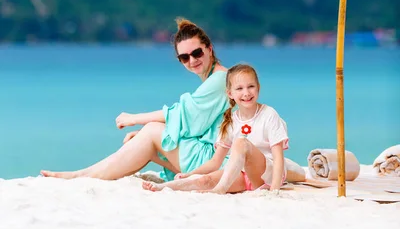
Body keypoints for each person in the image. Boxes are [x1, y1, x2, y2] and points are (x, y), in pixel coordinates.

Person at [40, 18, 229, 180]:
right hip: (215, 156)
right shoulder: (215, 78)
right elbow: (193, 123)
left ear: (209, 49)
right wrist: (143, 131)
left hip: (218, 161)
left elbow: (184, 115)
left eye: (197, 53)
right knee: (148, 135)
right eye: (184, 57)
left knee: (152, 131)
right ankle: (84, 174)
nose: (192, 60)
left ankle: (80, 176)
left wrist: (134, 118)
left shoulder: (220, 79)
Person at [142, 63, 291, 194]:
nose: (246, 93)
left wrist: (275, 190)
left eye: (251, 86)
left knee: (241, 143)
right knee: (204, 181)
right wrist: (191, 174)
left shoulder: (269, 114)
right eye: (239, 88)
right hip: (243, 176)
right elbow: (215, 161)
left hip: (267, 176)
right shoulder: (230, 121)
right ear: (230, 94)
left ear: (258, 88)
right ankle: (163, 187)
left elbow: (278, 158)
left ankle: (220, 189)